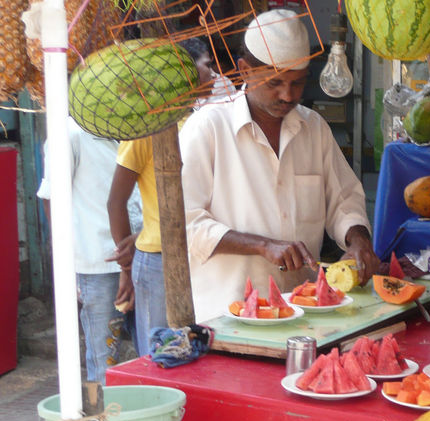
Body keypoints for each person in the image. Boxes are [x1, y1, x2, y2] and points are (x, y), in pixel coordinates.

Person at [180, 9, 378, 323]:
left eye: (297, 83)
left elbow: (344, 199)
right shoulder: (207, 128)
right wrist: (262, 246)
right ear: (245, 71)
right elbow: (184, 224)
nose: (287, 95)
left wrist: (358, 240)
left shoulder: (314, 128)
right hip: (227, 316)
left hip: (304, 313)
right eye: (275, 82)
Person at [108, 38, 219, 356]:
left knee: (197, 353)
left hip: (204, 254)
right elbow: (115, 201)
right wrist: (127, 267)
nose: (214, 73)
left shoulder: (208, 124)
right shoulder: (148, 128)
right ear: (184, 70)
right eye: (207, 65)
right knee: (160, 356)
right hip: (157, 260)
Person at [37, 121, 142, 383]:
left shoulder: (135, 129)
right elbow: (51, 199)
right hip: (98, 264)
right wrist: (67, 261)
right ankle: (98, 409)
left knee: (151, 353)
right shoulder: (70, 135)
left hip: (143, 257)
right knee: (103, 360)